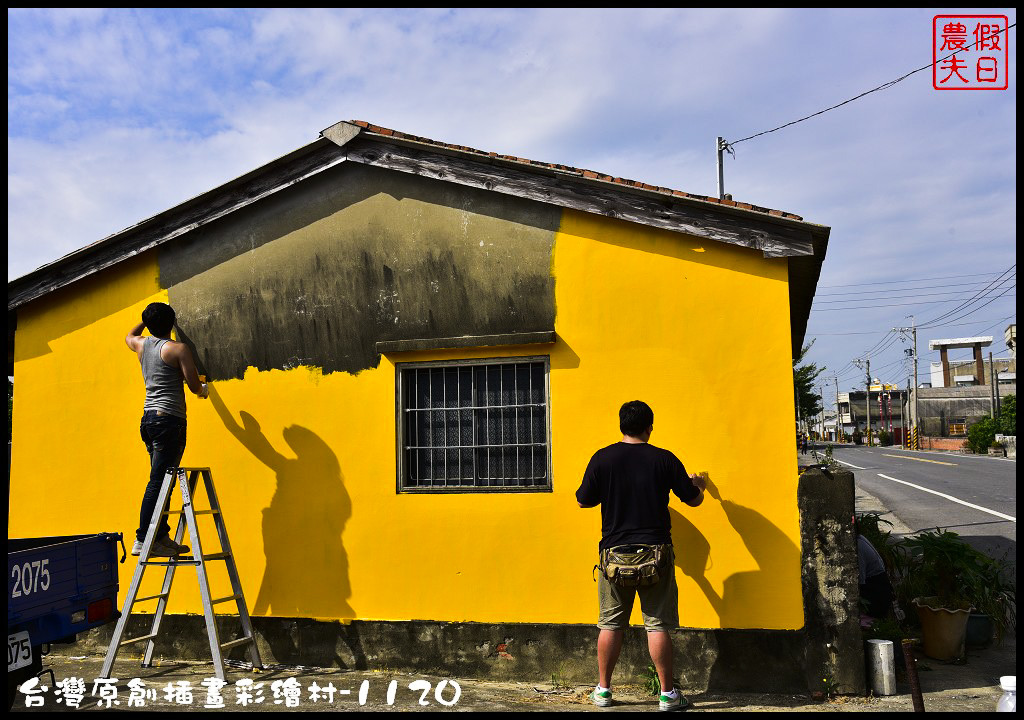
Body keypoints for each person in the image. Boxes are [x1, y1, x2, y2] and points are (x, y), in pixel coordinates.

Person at [576, 400, 705, 711]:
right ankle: (667, 695)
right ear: (650, 427)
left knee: (610, 624)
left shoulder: (602, 459)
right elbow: (693, 501)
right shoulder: (664, 459)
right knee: (657, 625)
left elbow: (583, 501)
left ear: (622, 426)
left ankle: (603, 691)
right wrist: (698, 485)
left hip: (614, 555)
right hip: (656, 554)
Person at [125, 302, 209, 557]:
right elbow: (194, 386)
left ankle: (160, 535)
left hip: (149, 420)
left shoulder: (141, 345)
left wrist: (144, 319)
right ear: (171, 323)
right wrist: (205, 391)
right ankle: (143, 539)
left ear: (148, 324)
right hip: (169, 421)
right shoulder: (178, 349)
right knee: (158, 482)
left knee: (164, 480)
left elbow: (129, 335)